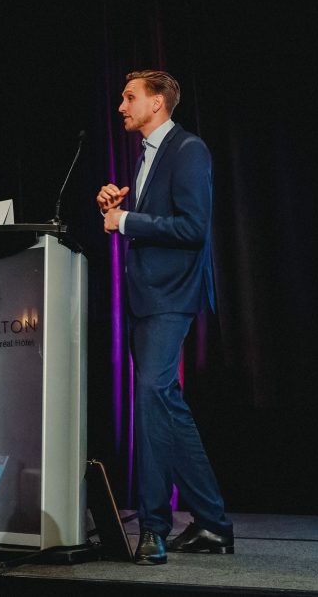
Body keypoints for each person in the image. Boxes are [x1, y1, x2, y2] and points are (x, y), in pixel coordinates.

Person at [97, 70, 233, 565]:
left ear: (157, 103)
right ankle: (214, 524)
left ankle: (154, 527)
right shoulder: (146, 157)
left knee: (153, 396)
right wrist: (119, 206)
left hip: (172, 296)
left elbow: (193, 228)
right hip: (147, 297)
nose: (121, 107)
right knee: (166, 406)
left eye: (129, 97)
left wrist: (127, 220)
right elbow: (163, 217)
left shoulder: (188, 149)